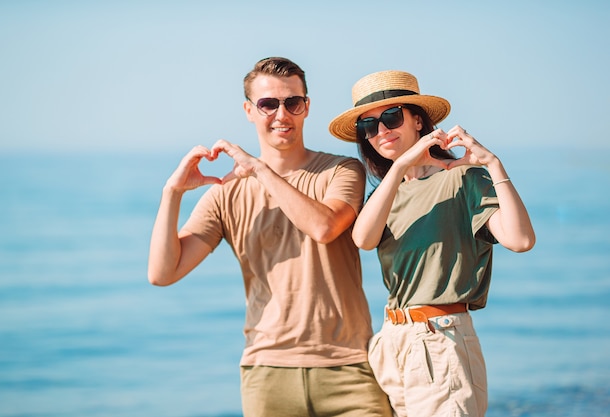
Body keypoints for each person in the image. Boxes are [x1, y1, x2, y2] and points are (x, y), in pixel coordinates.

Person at [148, 57, 392, 417]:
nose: (282, 114)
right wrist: (172, 193)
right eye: (268, 104)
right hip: (267, 372)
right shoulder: (224, 194)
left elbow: (324, 227)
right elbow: (163, 273)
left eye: (293, 102)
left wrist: (259, 169)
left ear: (306, 106)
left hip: (349, 367)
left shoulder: (340, 169)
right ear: (249, 110)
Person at [328, 70, 536, 417]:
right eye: (368, 126)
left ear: (418, 121)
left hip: (441, 341)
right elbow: (363, 239)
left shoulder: (463, 178)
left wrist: (493, 164)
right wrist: (400, 168)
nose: (381, 131)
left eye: (391, 117)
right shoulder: (387, 193)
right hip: (392, 342)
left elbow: (521, 240)